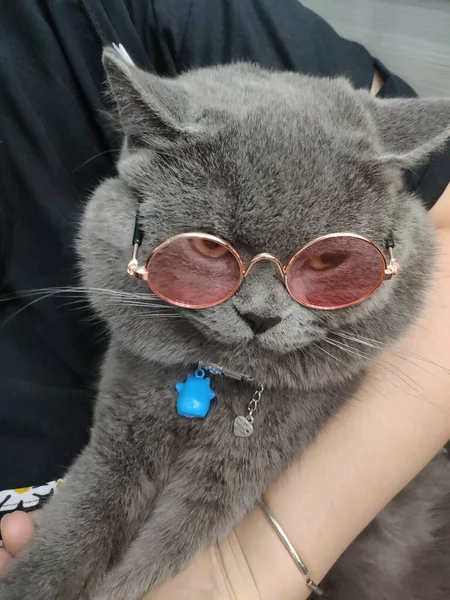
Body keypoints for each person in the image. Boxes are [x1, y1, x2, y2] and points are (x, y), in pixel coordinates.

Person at [1, 1, 449, 597]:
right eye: (211, 249)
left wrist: (248, 567)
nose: (264, 309)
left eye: (323, 260)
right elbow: (114, 467)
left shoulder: (112, 11)